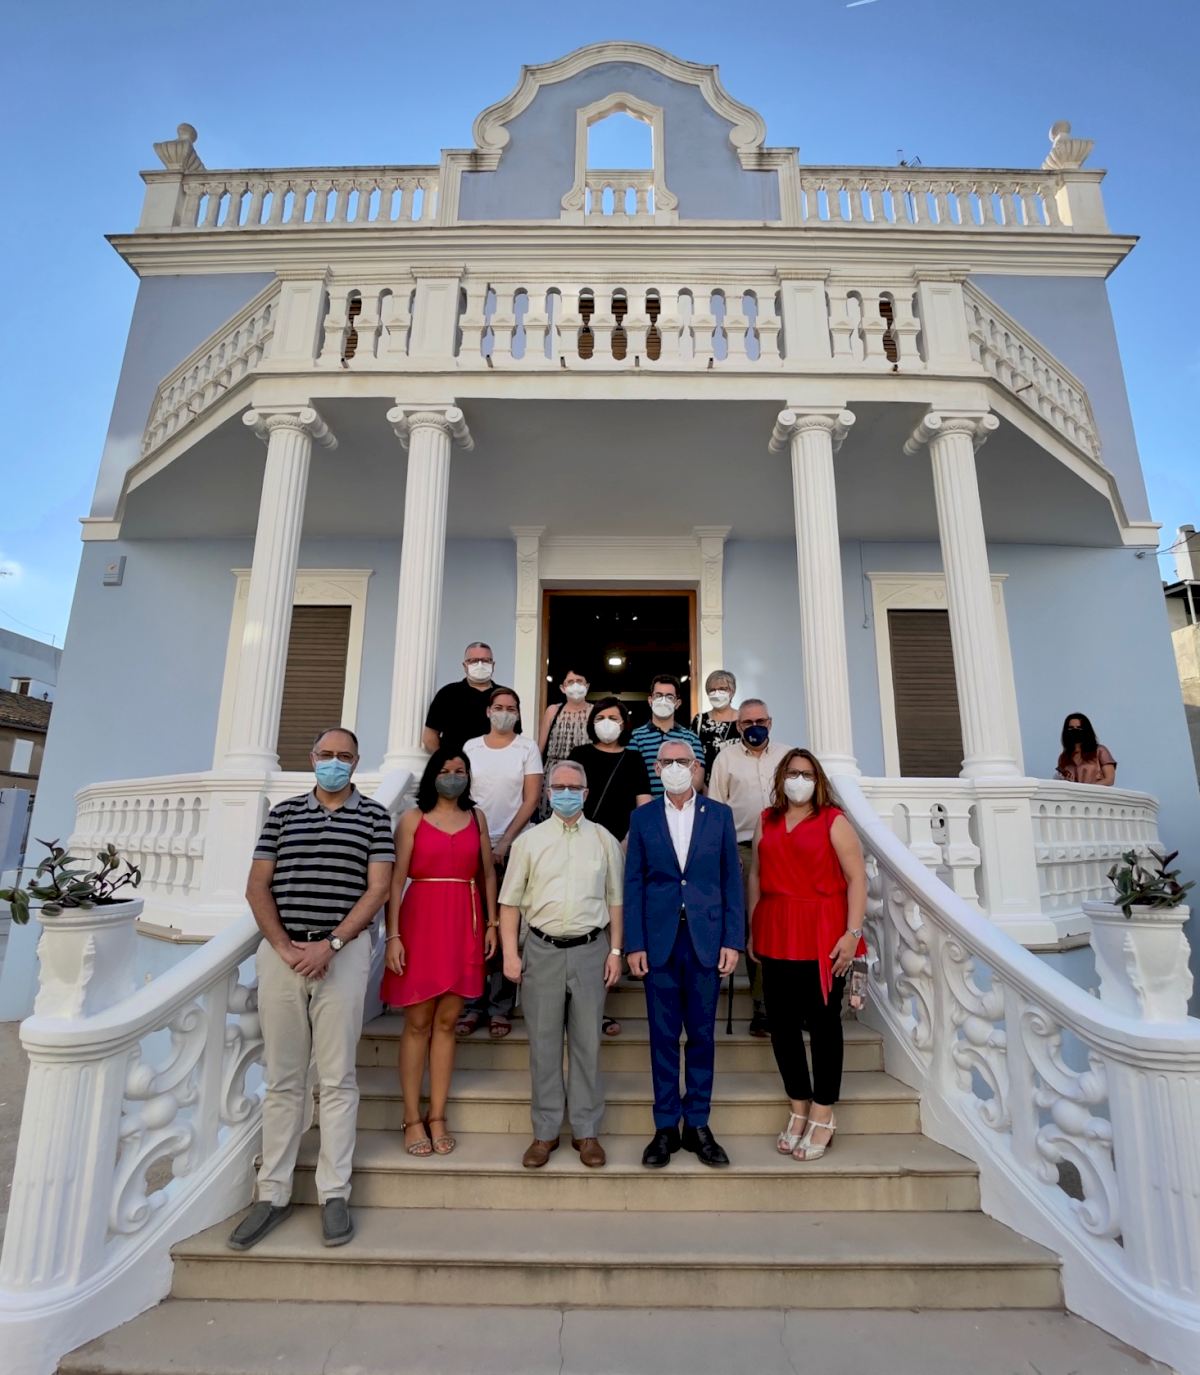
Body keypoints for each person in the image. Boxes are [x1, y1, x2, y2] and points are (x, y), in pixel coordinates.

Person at [227, 728, 394, 1252]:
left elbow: (378, 889)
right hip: (283, 958)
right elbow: (257, 885)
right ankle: (272, 1193)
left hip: (341, 958)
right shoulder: (282, 814)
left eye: (344, 756)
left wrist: (331, 944)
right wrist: (284, 946)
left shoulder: (374, 817)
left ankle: (334, 1192)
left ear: (356, 763)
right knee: (283, 1080)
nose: (334, 763)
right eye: (327, 755)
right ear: (312, 757)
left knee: (338, 1079)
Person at [500, 760, 625, 1169]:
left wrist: (616, 951)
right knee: (544, 1045)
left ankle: (586, 1132)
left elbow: (615, 900)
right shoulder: (529, 842)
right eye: (559, 787)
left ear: (586, 794)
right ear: (548, 793)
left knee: (588, 1043)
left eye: (574, 787)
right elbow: (509, 903)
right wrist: (511, 954)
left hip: (591, 950)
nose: (566, 793)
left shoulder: (604, 840)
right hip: (542, 951)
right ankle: (545, 1131)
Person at [625, 739, 743, 1169]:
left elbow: (731, 880)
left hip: (705, 940)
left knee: (702, 1036)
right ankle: (665, 1127)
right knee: (662, 1037)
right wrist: (634, 943)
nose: (675, 767)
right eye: (667, 761)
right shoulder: (642, 818)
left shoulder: (720, 816)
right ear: (656, 768)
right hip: (659, 942)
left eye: (683, 761)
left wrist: (733, 940)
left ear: (696, 767)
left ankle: (697, 1124)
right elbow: (633, 882)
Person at [748, 748, 867, 1164]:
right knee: (781, 1026)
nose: (798, 780)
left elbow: (856, 878)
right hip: (776, 927)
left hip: (822, 931)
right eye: (792, 772)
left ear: (818, 781)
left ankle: (823, 1111)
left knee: (823, 1024)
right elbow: (756, 874)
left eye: (807, 773)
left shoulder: (834, 821)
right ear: (781, 777)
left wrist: (852, 934)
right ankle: (798, 1105)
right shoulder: (767, 820)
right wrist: (753, 925)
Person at [381, 749, 498, 1157]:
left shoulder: (477, 818)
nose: (453, 776)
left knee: (448, 1021)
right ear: (433, 775)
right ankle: (411, 1117)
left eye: (460, 770)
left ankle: (438, 1115)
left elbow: (487, 873)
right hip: (419, 923)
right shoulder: (412, 819)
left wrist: (492, 923)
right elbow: (395, 879)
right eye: (446, 770)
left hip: (464, 920)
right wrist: (393, 935)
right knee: (418, 1022)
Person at [458, 687, 543, 1038]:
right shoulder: (471, 747)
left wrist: (505, 841)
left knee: (506, 925)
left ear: (518, 714)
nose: (504, 712)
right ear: (488, 711)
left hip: (515, 845)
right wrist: (477, 838)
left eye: (511, 708)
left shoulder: (527, 748)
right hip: (472, 841)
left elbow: (531, 798)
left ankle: (500, 1005)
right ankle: (472, 1002)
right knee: (475, 924)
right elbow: (463, 794)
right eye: (498, 707)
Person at [569, 697, 653, 1037]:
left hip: (621, 848)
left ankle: (597, 1005)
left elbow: (643, 807)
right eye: (601, 716)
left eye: (614, 717)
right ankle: (577, 1004)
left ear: (624, 723)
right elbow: (568, 800)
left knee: (610, 924)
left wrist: (624, 845)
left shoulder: (634, 758)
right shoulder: (579, 755)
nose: (607, 722)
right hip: (580, 849)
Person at [708, 698, 790, 1038]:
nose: (754, 727)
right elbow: (716, 809)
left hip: (786, 848)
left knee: (788, 922)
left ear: (770, 722)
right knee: (755, 924)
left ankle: (795, 1002)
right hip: (743, 849)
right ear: (738, 726)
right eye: (746, 723)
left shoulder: (788, 756)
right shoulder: (725, 759)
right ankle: (763, 1007)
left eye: (760, 721)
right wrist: (724, 854)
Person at [423, 642, 513, 756]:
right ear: (465, 665)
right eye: (473, 661)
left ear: (493, 665)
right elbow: (429, 737)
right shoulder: (447, 694)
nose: (480, 665)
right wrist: (445, 762)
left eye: (486, 661)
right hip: (457, 765)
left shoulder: (506, 696)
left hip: (496, 764)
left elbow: (514, 736)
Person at [628, 674, 704, 798]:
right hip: (648, 806)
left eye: (669, 697)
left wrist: (676, 802)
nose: (663, 700)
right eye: (658, 695)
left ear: (677, 703)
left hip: (683, 806)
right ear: (650, 700)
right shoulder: (635, 737)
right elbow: (631, 777)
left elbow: (698, 779)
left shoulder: (691, 738)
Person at [536, 667, 593, 819]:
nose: (575, 685)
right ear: (563, 687)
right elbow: (540, 748)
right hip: (554, 774)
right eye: (570, 682)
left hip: (583, 774)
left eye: (579, 681)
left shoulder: (595, 712)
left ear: (587, 686)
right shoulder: (553, 711)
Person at [690, 668, 740, 779]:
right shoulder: (699, 721)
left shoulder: (744, 720)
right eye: (712, 690)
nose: (717, 693)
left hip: (738, 783)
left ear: (732, 691)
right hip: (707, 784)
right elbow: (692, 756)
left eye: (722, 689)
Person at [1055, 712, 1117, 786]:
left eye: (1079, 728)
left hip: (1095, 793)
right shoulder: (1063, 757)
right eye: (1071, 728)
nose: (1075, 731)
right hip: (1073, 793)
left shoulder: (1100, 751)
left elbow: (1109, 780)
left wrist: (1088, 789)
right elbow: (1061, 781)